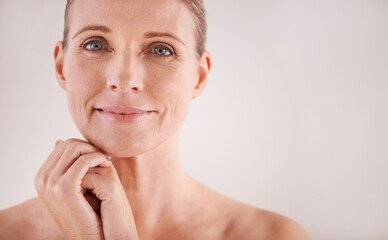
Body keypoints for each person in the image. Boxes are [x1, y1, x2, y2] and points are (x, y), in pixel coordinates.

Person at [0, 0, 309, 239]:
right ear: (61, 66)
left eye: (161, 49)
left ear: (199, 76)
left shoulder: (271, 235)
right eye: (95, 44)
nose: (124, 79)